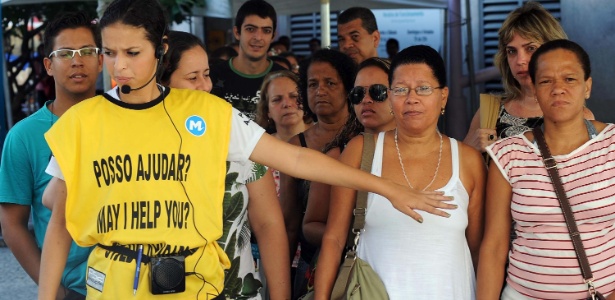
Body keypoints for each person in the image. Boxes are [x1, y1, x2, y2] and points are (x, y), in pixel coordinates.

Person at [37, 1, 457, 299]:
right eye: (109, 52)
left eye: (132, 52)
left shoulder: (206, 112)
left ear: (160, 49)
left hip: (192, 284)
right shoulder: (83, 121)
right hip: (113, 284)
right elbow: (58, 223)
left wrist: (387, 187)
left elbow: (293, 158)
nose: (118, 65)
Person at [314, 45, 486, 300]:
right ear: (392, 97)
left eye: (424, 88)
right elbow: (334, 239)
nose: (412, 98)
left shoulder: (469, 160)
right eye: (401, 89)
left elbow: (479, 250)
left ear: (444, 96)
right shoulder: (360, 150)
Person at [478, 39, 615, 300]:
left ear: (588, 86)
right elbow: (494, 247)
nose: (558, 89)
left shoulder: (612, 145)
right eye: (545, 81)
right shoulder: (509, 154)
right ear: (536, 91)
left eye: (570, 79)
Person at [160, 30, 290, 300]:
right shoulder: (134, 133)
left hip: (235, 290)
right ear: (161, 82)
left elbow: (268, 223)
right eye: (192, 78)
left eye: (206, 74)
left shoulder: (228, 123)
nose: (205, 86)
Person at [0, 11, 103, 300]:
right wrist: (55, 292)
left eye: (87, 51)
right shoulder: (23, 137)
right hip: (73, 289)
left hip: (130, 281)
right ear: (48, 64)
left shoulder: (126, 122)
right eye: (65, 53)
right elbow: (12, 224)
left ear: (101, 60)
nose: (77, 60)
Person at [463, 1, 594, 153]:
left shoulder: (579, 115)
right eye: (512, 51)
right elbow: (461, 172)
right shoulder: (489, 112)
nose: (520, 61)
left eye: (531, 48)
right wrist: (470, 151)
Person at [278, 49, 356, 299]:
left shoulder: (364, 139)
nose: (320, 90)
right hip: (312, 261)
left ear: (347, 88)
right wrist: (282, 282)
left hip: (364, 261)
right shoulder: (294, 146)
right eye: (312, 84)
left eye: (330, 83)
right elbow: (289, 223)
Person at [302, 57, 395, 248]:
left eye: (378, 92)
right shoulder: (338, 155)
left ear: (399, 94)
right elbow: (310, 226)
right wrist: (360, 241)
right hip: (356, 270)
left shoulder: (424, 151)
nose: (366, 100)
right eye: (358, 94)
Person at [209, 0, 286, 120]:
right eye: (250, 29)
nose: (258, 37)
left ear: (273, 36)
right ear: (237, 32)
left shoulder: (284, 80)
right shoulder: (212, 77)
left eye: (266, 31)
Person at [256, 70, 312, 196]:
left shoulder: (324, 138)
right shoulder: (259, 150)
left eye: (294, 96)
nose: (287, 104)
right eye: (277, 99)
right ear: (267, 110)